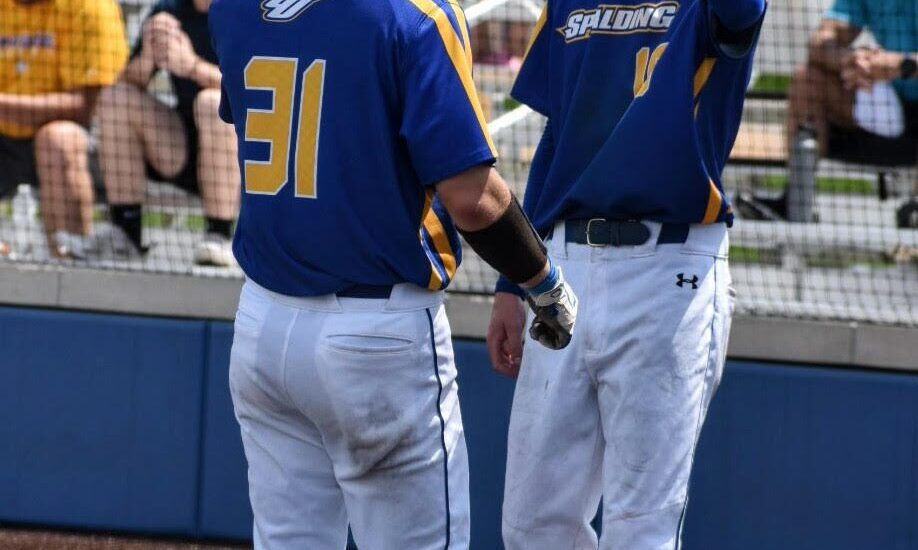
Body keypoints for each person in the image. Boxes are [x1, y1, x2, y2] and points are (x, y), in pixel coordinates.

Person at [209, 0, 577, 548]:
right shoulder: (415, 14)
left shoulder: (234, 8)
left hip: (263, 325)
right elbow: (472, 199)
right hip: (376, 335)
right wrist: (543, 282)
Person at [487, 0, 765, 548]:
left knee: (641, 526)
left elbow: (742, 16)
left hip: (669, 266)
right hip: (563, 264)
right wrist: (510, 279)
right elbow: (556, 136)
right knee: (531, 523)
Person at [736, 0, 917, 223]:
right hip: (892, 105)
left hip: (904, 82)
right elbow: (820, 42)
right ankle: (794, 205)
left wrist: (903, 65)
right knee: (808, 81)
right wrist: (852, 61)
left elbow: (897, 65)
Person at [96, 0, 239, 266]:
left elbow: (251, 84)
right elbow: (130, 81)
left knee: (211, 103)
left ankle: (220, 236)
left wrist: (192, 66)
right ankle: (125, 234)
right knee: (117, 97)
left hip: (243, 156)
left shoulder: (245, 10)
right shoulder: (170, 10)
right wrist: (150, 56)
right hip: (181, 150)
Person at [0, 0, 127, 257]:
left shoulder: (90, 6)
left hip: (82, 142)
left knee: (57, 139)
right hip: (6, 138)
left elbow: (84, 106)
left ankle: (69, 261)